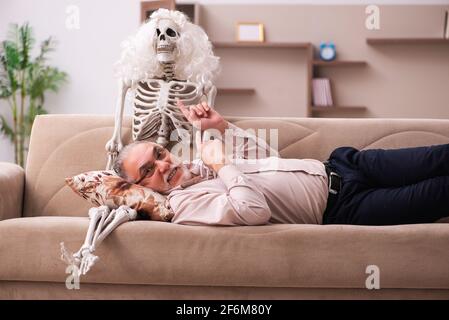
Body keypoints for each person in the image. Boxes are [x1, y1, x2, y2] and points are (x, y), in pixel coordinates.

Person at [113, 100, 449, 226]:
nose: (161, 165)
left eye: (158, 155)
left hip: (345, 164)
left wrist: (220, 127)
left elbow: (269, 159)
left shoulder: (201, 164)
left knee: (440, 157)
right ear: (138, 187)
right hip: (343, 207)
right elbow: (252, 210)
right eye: (147, 171)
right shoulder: (185, 205)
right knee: (441, 191)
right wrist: (220, 166)